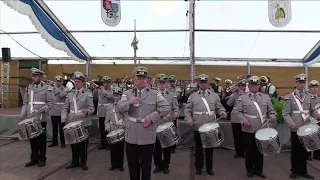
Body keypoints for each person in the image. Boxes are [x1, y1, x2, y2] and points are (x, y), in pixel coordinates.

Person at [117, 66, 170, 180]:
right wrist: (130, 103)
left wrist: (151, 118)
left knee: (146, 166)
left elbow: (166, 107)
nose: (141, 80)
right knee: (132, 166)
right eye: (139, 78)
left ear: (147, 80)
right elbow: (120, 108)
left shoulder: (155, 94)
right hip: (131, 134)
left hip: (147, 133)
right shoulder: (127, 93)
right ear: (135, 80)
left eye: (143, 78)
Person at [185, 74, 227, 176]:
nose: (203, 84)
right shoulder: (193, 96)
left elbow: (219, 107)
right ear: (198, 83)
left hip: (210, 126)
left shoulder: (214, 95)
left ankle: (209, 168)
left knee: (209, 148)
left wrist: (222, 112)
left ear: (207, 83)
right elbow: (187, 110)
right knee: (199, 149)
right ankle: (198, 168)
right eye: (201, 82)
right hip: (197, 125)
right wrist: (189, 120)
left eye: (205, 82)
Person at [235, 76, 276, 178]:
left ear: (259, 86)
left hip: (261, 128)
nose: (254, 86)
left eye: (256, 84)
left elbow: (271, 110)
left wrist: (272, 115)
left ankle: (259, 170)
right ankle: (249, 170)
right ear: (249, 86)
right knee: (249, 150)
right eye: (252, 84)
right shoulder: (243, 97)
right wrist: (244, 121)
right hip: (248, 128)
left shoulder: (266, 97)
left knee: (260, 150)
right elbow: (238, 111)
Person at [282, 74, 320, 179]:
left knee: (305, 150)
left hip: (306, 128)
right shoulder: (290, 97)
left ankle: (303, 171)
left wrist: (316, 115)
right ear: (297, 83)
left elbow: (312, 110)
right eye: (300, 82)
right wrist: (291, 123)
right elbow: (285, 113)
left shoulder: (309, 96)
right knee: (295, 150)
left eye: (304, 83)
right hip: (295, 127)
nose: (302, 84)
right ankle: (294, 170)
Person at [20, 67, 54, 167]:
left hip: (41, 117)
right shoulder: (28, 88)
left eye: (35, 76)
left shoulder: (47, 88)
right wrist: (22, 113)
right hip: (30, 117)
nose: (33, 78)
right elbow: (25, 102)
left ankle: (42, 158)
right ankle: (34, 158)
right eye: (33, 76)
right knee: (32, 139)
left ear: (41, 77)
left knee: (41, 139)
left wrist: (45, 109)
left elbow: (51, 102)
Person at [61, 71, 94, 170]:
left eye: (79, 81)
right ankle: (74, 161)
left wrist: (87, 111)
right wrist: (63, 117)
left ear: (83, 83)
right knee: (73, 143)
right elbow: (65, 108)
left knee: (82, 144)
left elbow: (92, 108)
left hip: (83, 121)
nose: (77, 83)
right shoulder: (70, 93)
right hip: (71, 120)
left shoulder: (87, 94)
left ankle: (83, 162)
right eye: (75, 81)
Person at [153, 74, 180, 174]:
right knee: (157, 147)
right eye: (160, 82)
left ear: (167, 83)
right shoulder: (153, 94)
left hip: (167, 124)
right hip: (156, 123)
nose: (162, 84)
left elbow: (176, 108)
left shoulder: (172, 95)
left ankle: (165, 165)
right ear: (157, 83)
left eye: (163, 82)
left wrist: (176, 113)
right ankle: (158, 165)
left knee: (167, 147)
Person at [105, 87, 125, 171]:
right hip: (112, 129)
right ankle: (113, 164)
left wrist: (124, 125)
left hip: (121, 129)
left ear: (120, 96)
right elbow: (107, 120)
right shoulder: (110, 106)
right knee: (113, 149)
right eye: (114, 95)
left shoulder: (124, 106)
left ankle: (120, 165)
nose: (116, 97)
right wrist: (108, 128)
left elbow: (126, 117)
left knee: (120, 149)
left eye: (117, 95)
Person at [226, 79, 247, 158]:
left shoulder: (248, 94)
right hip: (235, 118)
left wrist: (241, 93)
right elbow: (228, 104)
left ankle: (244, 152)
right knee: (236, 136)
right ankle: (238, 152)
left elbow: (246, 100)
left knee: (244, 136)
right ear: (238, 86)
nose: (242, 87)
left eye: (244, 86)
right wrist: (234, 94)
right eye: (241, 86)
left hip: (244, 118)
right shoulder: (234, 94)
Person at [48, 75, 68, 148]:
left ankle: (63, 142)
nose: (58, 83)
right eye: (57, 81)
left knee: (62, 128)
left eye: (60, 81)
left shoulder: (65, 89)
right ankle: (54, 141)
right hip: (53, 109)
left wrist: (55, 87)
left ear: (62, 82)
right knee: (54, 127)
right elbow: (49, 96)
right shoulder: (51, 88)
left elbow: (62, 95)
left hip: (61, 110)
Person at [95, 76, 114, 150]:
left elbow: (109, 96)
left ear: (110, 84)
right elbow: (95, 98)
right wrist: (95, 92)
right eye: (105, 83)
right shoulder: (100, 91)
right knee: (102, 128)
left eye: (107, 83)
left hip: (108, 111)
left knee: (108, 128)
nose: (106, 84)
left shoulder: (112, 90)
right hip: (101, 111)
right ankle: (103, 143)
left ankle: (109, 143)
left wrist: (102, 89)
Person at [308, 80, 320, 161]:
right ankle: (308, 154)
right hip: (309, 120)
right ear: (309, 88)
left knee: (318, 137)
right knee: (309, 137)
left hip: (318, 120)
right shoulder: (306, 98)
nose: (314, 89)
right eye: (312, 87)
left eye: (316, 87)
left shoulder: (319, 98)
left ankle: (317, 154)